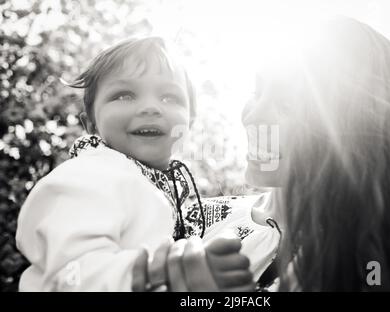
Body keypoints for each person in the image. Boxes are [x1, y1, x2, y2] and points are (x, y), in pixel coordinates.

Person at [16, 37, 254, 292]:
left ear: (190, 122)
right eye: (124, 95)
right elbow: (73, 273)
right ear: (91, 125)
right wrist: (162, 273)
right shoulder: (89, 176)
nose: (150, 107)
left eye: (169, 97)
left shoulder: (152, 185)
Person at [240, 17, 390, 291]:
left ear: (355, 130)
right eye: (257, 92)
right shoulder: (195, 219)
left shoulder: (385, 258)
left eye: (287, 104)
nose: (252, 117)